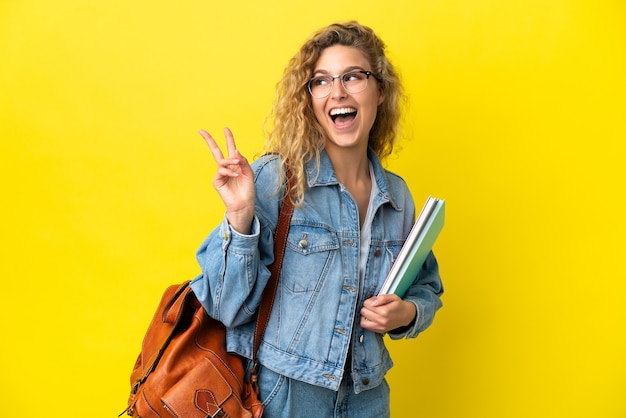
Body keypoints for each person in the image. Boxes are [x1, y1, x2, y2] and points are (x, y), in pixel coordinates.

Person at [190, 21, 443, 418]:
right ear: (308, 100)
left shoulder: (398, 198)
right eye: (321, 81)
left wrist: (406, 313)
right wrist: (239, 218)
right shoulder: (277, 179)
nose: (337, 91)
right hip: (286, 396)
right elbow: (225, 307)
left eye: (353, 77)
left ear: (380, 91)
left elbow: (426, 288)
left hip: (368, 396)